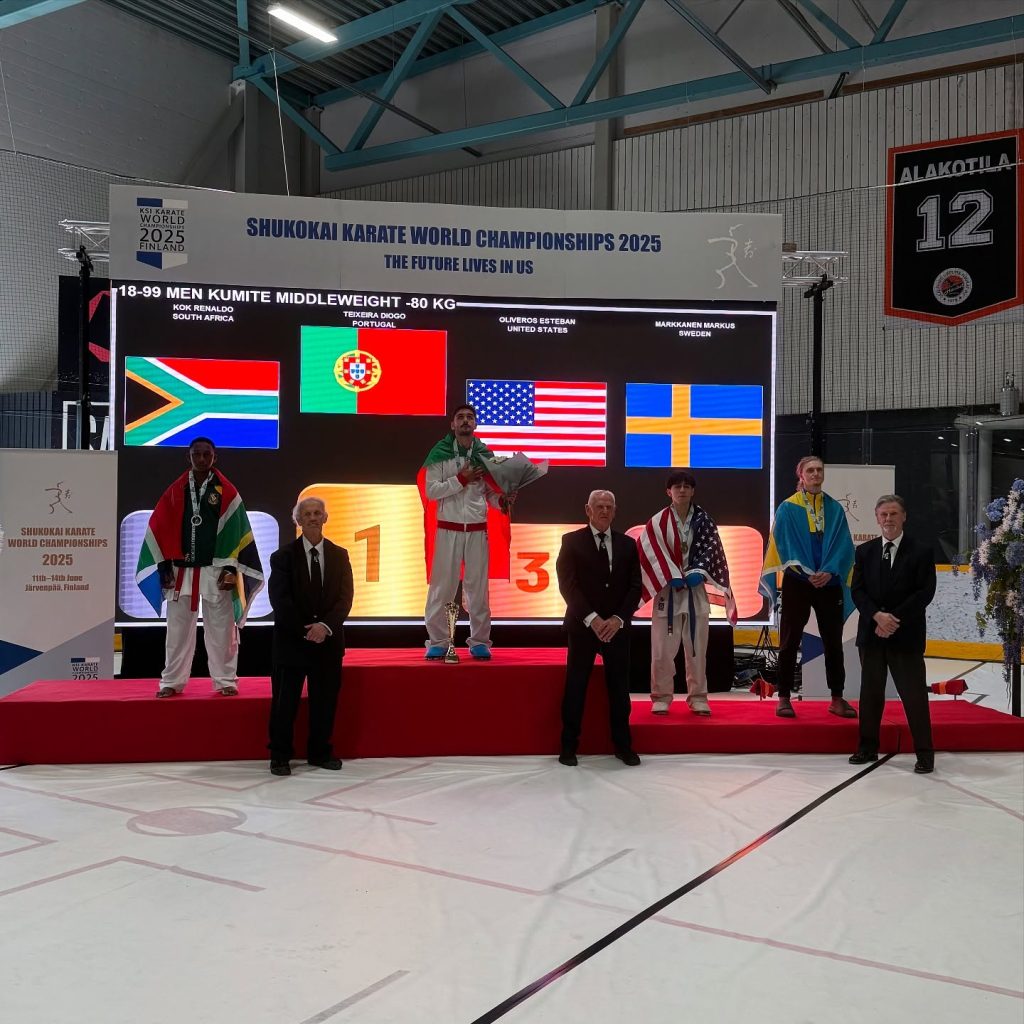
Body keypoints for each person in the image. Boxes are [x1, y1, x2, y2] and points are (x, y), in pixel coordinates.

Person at [136, 437, 264, 698]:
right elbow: (161, 528)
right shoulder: (176, 490)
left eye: (207, 454)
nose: (202, 459)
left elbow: (236, 531)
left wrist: (231, 568)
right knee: (177, 631)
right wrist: (164, 566)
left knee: (222, 630)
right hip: (181, 571)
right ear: (189, 457)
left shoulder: (227, 491)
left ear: (215, 457)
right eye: (197, 454)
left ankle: (226, 680)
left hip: (216, 570)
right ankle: (171, 682)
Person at [760, 456, 857, 719]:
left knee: (833, 642)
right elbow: (783, 545)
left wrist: (829, 570)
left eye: (819, 470)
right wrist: (805, 572)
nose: (816, 474)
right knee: (789, 640)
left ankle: (837, 698)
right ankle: (784, 697)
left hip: (829, 581)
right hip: (798, 581)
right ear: (801, 475)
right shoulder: (788, 507)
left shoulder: (834, 508)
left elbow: (844, 546)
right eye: (810, 470)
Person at [637, 470, 736, 717]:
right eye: (677, 486)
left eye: (686, 486)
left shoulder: (704, 521)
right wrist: (671, 574)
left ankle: (698, 697)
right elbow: (651, 552)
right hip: (667, 592)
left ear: (693, 491)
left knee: (697, 649)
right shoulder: (657, 522)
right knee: (662, 651)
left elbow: (712, 550)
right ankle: (661, 697)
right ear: (668, 491)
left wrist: (698, 572)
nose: (682, 490)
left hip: (694, 591)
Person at [267, 496, 354, 777]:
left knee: (325, 702)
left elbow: (345, 599)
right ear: (299, 520)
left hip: (328, 643)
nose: (313, 518)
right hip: (292, 643)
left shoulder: (340, 555)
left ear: (325, 518)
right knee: (285, 703)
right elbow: (280, 600)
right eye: (308, 514)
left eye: (318, 513)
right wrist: (306, 630)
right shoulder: (282, 557)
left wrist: (324, 627)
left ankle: (320, 753)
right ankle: (280, 756)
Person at [555, 490, 643, 767]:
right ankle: (568, 747)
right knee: (576, 687)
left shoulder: (628, 545)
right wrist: (592, 618)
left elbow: (635, 587)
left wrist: (617, 619)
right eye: (599, 506)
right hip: (583, 628)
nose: (604, 511)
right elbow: (568, 585)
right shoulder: (570, 542)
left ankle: (623, 746)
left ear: (615, 511)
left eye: (609, 507)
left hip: (617, 629)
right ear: (588, 510)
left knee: (619, 689)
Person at [849, 495, 936, 773]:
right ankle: (867, 748)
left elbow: (925, 592)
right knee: (870, 695)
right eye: (884, 514)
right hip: (872, 634)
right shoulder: (865, 552)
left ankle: (925, 754)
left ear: (904, 516)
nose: (889, 519)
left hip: (906, 635)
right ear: (877, 518)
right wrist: (877, 616)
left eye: (894, 514)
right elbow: (857, 591)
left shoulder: (921, 551)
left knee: (914, 696)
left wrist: (892, 620)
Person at [420, 405, 511, 660]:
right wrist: (462, 478)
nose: (465, 421)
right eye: (460, 417)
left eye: (470, 417)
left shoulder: (485, 455)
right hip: (448, 529)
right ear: (452, 424)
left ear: (476, 424)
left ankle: (480, 641)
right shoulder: (439, 453)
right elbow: (431, 491)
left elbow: (490, 494)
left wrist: (502, 501)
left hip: (477, 530)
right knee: (442, 588)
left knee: (478, 589)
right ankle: (438, 641)